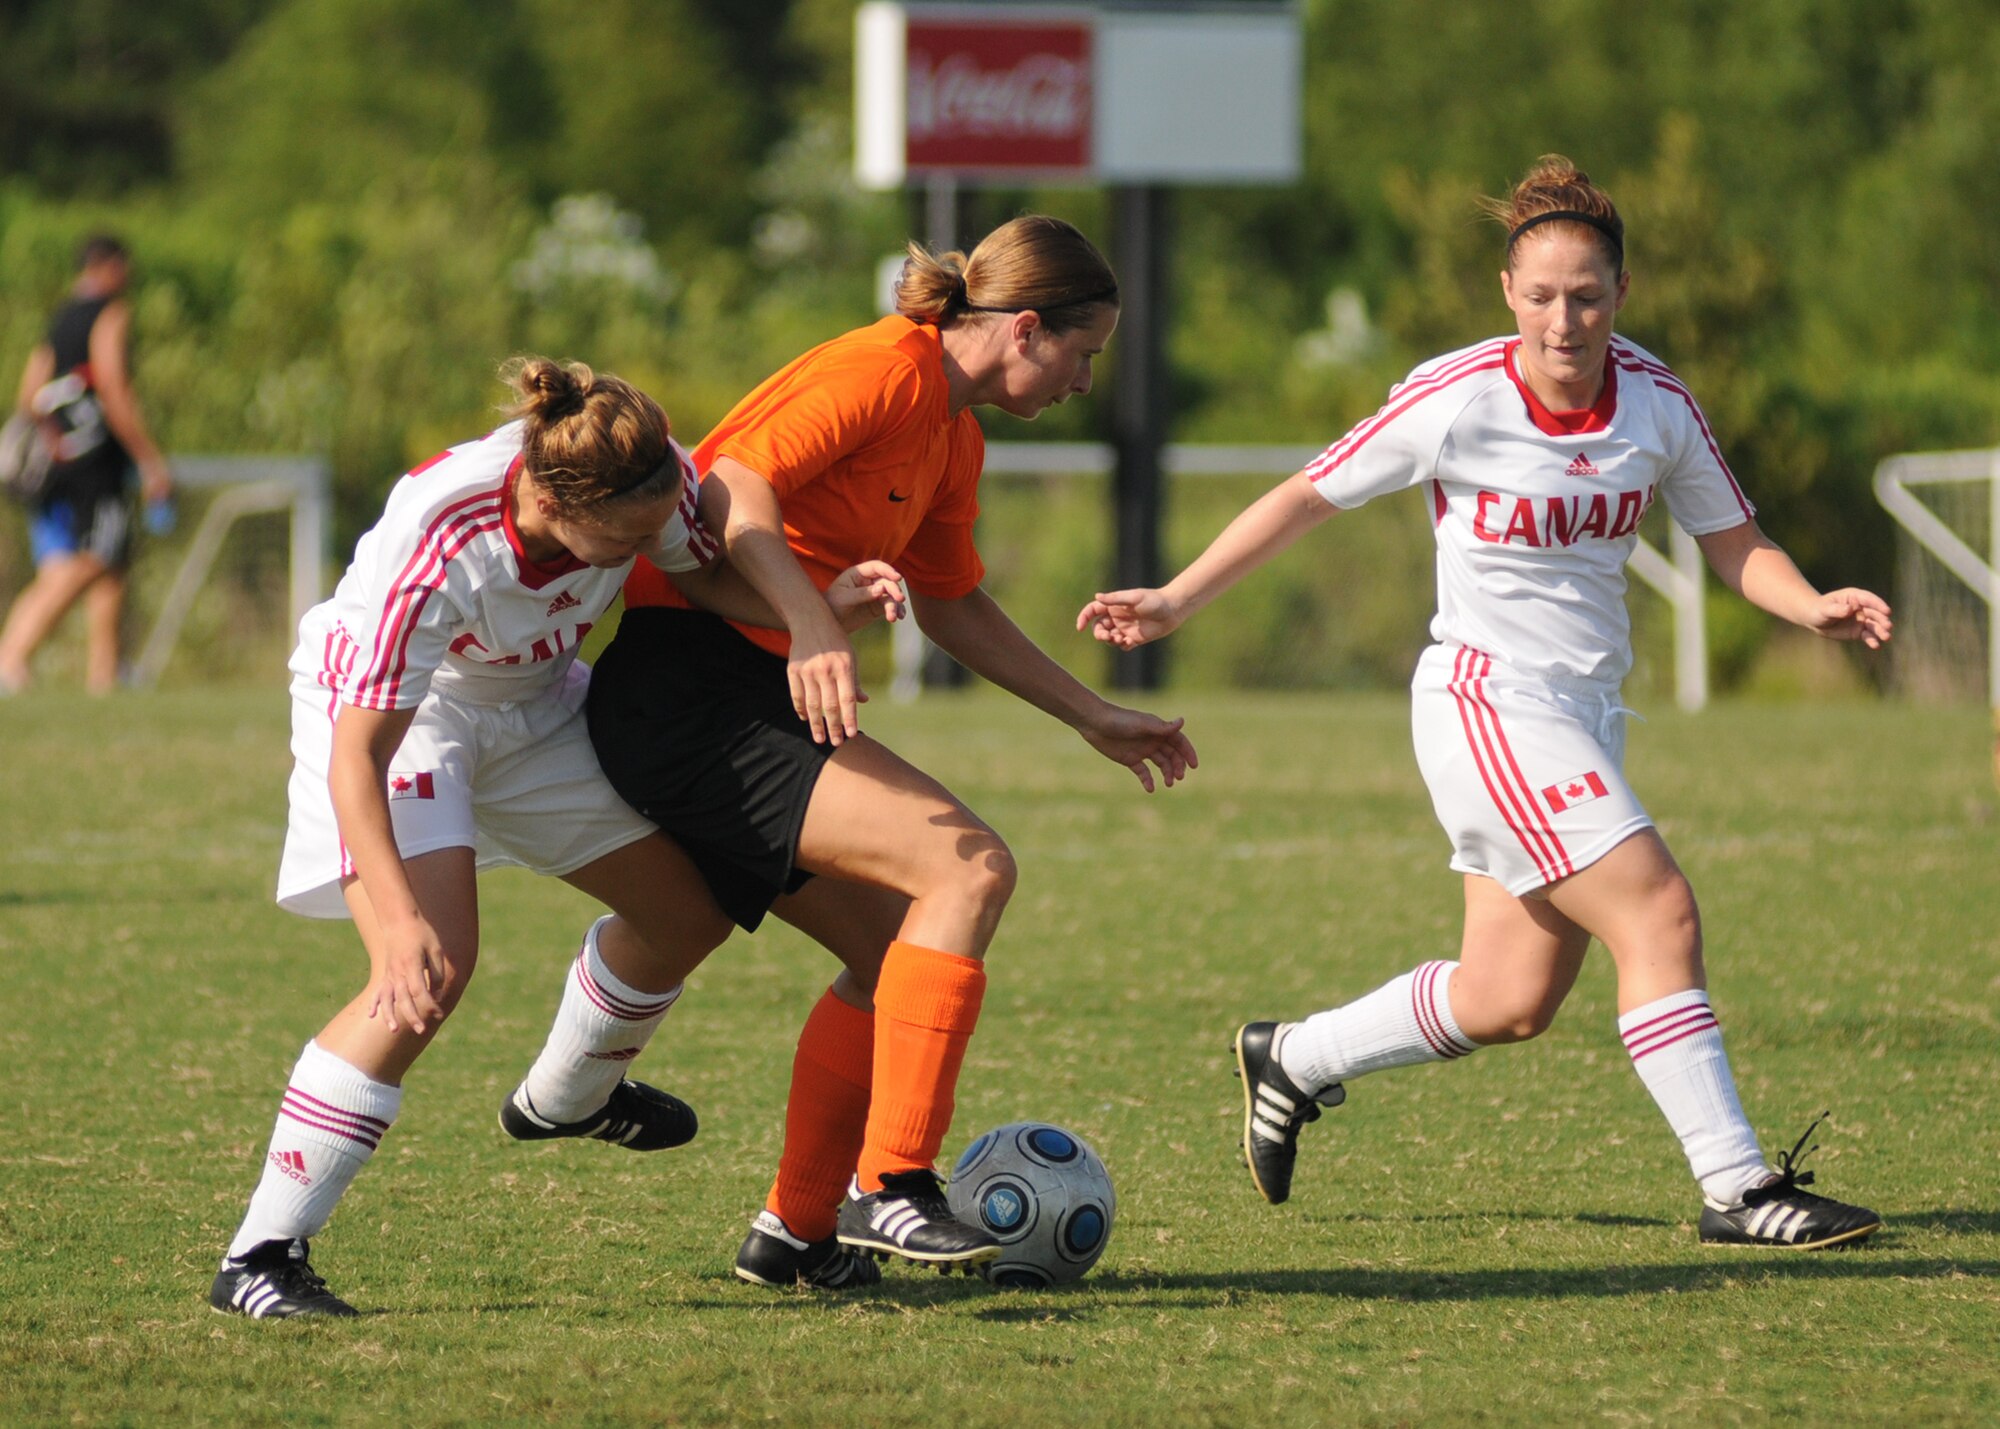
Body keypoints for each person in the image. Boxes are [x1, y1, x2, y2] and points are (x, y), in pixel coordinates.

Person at [1079, 157, 1891, 1251]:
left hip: (1584, 712)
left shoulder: (1656, 401)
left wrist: (1808, 608)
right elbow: (1304, 495)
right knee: (1658, 912)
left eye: (1588, 295)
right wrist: (1175, 599)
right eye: (1543, 296)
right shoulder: (1456, 395)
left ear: (1620, 295)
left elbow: (1732, 540)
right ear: (1508, 292)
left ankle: (1294, 1058)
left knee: (1509, 995)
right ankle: (1738, 1187)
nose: (1566, 319)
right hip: (1486, 704)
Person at [553, 214, 1197, 1287]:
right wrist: (812, 622)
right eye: (1084, 356)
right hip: (687, 684)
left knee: (896, 940)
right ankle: (890, 1184)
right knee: (969, 867)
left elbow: (950, 603)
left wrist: (1089, 713)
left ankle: (795, 1234)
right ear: (1025, 330)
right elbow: (730, 486)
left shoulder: (953, 433)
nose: (1086, 382)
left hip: (735, 691)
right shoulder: (887, 370)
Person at [210, 357, 903, 1319]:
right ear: (544, 494)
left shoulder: (651, 480)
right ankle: (260, 1253)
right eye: (614, 542)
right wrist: (398, 915)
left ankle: (569, 1096)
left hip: (532, 708)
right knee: (424, 977)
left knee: (688, 913)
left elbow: (702, 575)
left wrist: (821, 608)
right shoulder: (442, 529)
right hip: (400, 724)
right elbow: (355, 756)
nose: (628, 554)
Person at [0, 234, 173, 695]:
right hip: (95, 462)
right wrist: (149, 459)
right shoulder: (110, 312)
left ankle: (105, 674)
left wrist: (49, 439)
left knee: (112, 565)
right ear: (109, 266)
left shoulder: (60, 318)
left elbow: (29, 391)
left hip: (59, 462)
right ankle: (10, 656)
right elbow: (114, 386)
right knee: (89, 562)